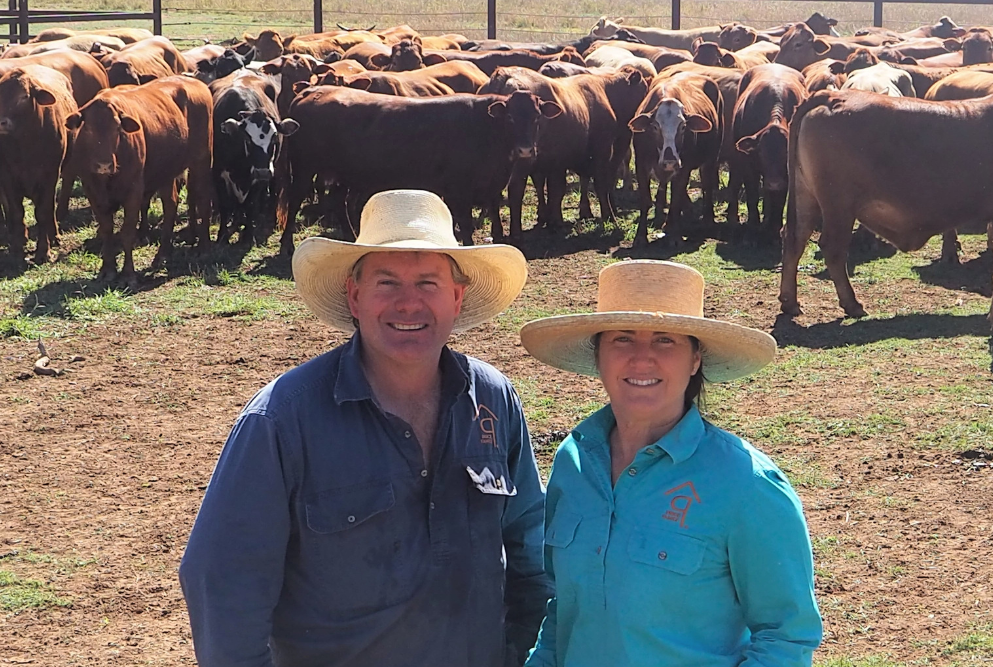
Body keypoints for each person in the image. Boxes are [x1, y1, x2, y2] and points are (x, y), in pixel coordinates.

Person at [179, 189, 551, 667]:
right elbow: (223, 582)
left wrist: (520, 652)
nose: (408, 304)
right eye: (387, 283)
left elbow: (530, 551)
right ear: (354, 296)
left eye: (428, 283)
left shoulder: (493, 400)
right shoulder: (282, 420)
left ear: (457, 298)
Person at [519, 260, 823, 667]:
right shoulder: (573, 463)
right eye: (622, 339)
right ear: (599, 356)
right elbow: (564, 611)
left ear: (695, 360)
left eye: (665, 341)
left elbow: (786, 637)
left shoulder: (747, 484)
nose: (642, 359)